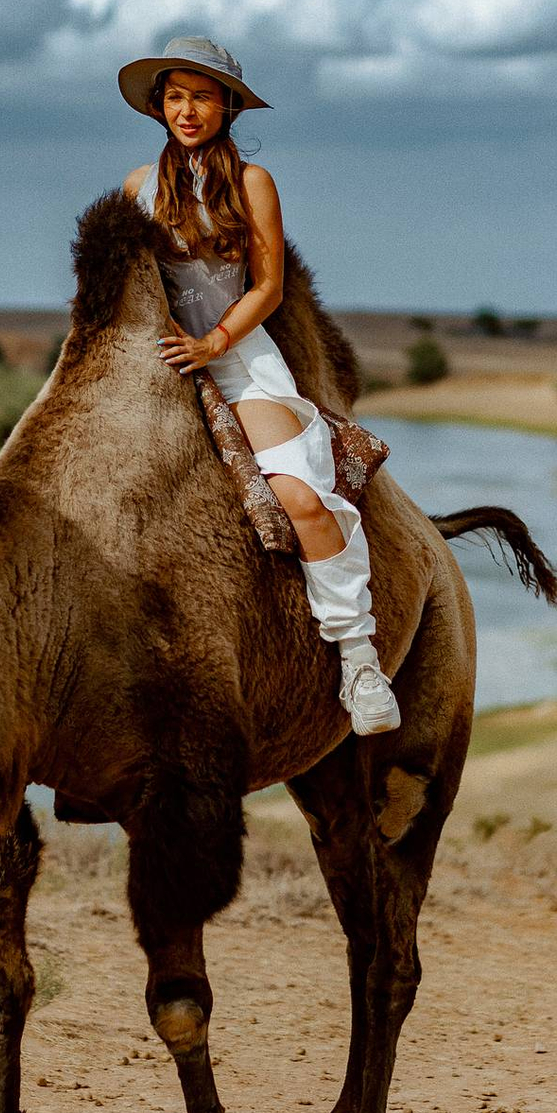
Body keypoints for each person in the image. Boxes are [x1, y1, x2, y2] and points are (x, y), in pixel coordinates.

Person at [118, 36, 400, 735]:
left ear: (228, 106)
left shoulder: (253, 185)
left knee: (299, 497)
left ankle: (359, 661)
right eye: (176, 95)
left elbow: (268, 286)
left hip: (238, 356)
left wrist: (212, 343)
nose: (188, 109)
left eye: (203, 96)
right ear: (159, 106)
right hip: (155, 357)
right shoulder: (135, 188)